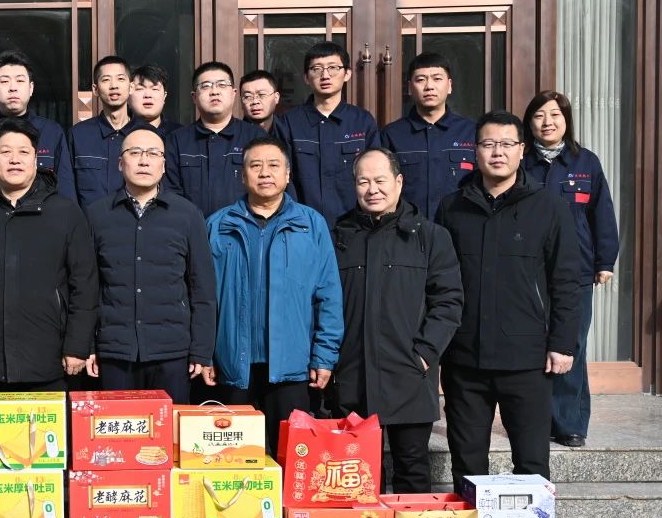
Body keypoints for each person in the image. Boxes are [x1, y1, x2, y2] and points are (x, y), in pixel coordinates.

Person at [436, 111, 580, 490]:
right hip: (464, 359)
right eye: (488, 144)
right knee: (467, 463)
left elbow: (567, 280)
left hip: (527, 360)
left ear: (522, 150)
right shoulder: (452, 208)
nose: (497, 152)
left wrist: (563, 343)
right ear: (475, 150)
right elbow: (438, 282)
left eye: (506, 144)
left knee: (531, 463)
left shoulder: (549, 207)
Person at [332, 148, 464, 493]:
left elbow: (448, 301)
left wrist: (424, 354)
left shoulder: (430, 237)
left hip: (409, 373)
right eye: (363, 181)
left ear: (399, 182)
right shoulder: (339, 236)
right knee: (357, 474)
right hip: (353, 374)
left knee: (412, 469)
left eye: (380, 180)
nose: (372, 189)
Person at [208, 135, 343, 456]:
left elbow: (328, 294)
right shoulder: (218, 225)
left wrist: (324, 356)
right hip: (232, 365)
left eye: (273, 165)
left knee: (292, 459)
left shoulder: (310, 225)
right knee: (233, 461)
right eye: (255, 166)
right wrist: (204, 354)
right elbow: (203, 296)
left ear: (288, 174)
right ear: (243, 175)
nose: (265, 173)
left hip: (292, 367)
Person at [0, 118, 98, 392]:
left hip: (50, 361)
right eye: (5, 152)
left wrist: (77, 345)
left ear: (36, 160)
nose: (15, 159)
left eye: (24, 152)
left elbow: (84, 287)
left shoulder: (66, 213)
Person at [85, 128, 217, 404]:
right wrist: (88, 345)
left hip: (172, 351)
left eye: (153, 154)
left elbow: (202, 289)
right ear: (120, 163)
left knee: (168, 428)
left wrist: (201, 350)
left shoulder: (187, 214)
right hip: (115, 350)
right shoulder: (97, 214)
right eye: (135, 153)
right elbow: (87, 288)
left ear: (164, 165)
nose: (144, 161)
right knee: (118, 427)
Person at [521, 90, 620, 448]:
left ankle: (570, 423)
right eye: (539, 116)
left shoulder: (586, 162)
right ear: (529, 123)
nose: (547, 122)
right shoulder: (521, 162)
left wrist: (604, 260)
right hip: (528, 270)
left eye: (555, 115)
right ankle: (536, 420)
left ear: (566, 120)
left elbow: (601, 213)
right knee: (532, 344)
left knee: (571, 344)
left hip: (575, 270)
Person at [274, 41, 379, 226]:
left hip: (355, 226)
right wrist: (296, 219)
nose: (325, 75)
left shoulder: (362, 121)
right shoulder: (288, 123)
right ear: (306, 77)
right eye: (317, 69)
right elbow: (282, 177)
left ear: (347, 74)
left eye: (333, 68)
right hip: (302, 225)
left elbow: (376, 173)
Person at [0, 50, 76, 204]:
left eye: (20, 81)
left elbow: (66, 193)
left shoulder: (52, 133)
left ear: (31, 88)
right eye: (5, 81)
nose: (13, 88)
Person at [375, 52, 477, 221]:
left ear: (449, 85)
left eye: (437, 79)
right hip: (407, 227)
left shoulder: (470, 132)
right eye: (421, 79)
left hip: (460, 226)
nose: (429, 86)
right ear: (410, 88)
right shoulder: (391, 135)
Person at [164, 62, 262, 216]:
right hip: (191, 229)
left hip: (245, 228)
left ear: (234, 93)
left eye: (222, 85)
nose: (214, 92)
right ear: (194, 97)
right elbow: (171, 194)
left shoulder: (256, 137)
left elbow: (266, 189)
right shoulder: (177, 141)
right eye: (206, 86)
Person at [69, 55, 148, 207]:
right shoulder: (78, 135)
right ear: (95, 89)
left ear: (131, 87)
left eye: (120, 79)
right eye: (106, 80)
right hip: (89, 221)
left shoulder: (147, 134)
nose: (114, 86)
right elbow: (69, 190)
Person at [129, 63, 182, 135]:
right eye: (140, 89)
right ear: (128, 96)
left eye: (155, 89)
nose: (148, 95)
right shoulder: (118, 133)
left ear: (164, 96)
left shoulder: (179, 134)